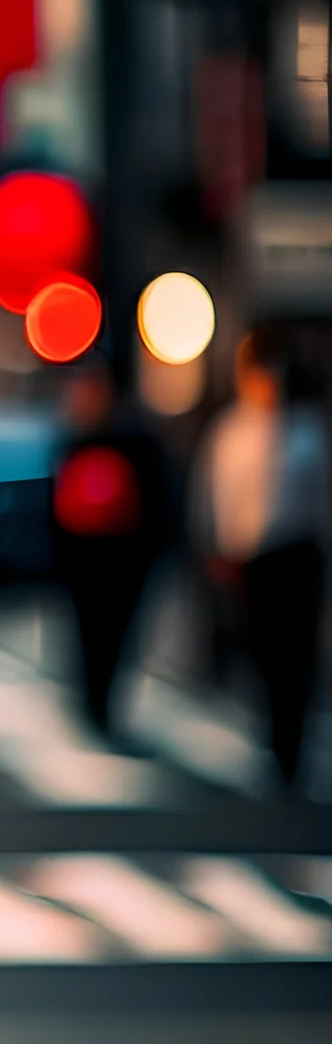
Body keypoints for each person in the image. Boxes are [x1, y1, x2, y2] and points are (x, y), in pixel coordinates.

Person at [194, 330, 329, 790]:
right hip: (249, 557)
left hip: (298, 552)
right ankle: (272, 730)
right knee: (262, 646)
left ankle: (291, 744)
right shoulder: (232, 432)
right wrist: (213, 544)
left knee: (297, 650)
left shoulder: (308, 432)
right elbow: (213, 493)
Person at [50, 357, 174, 735]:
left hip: (123, 562)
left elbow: (157, 502)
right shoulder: (72, 441)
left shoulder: (135, 442)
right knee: (86, 634)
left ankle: (105, 703)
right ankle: (91, 701)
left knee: (116, 635)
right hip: (83, 562)